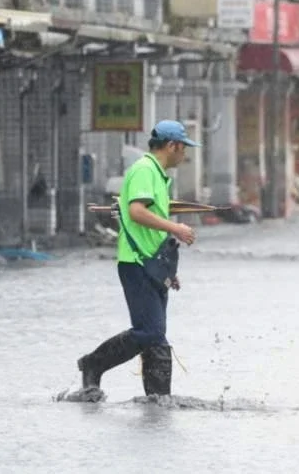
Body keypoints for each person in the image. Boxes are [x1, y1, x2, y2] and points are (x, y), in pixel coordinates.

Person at [77, 120, 199, 397]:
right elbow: (136, 212)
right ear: (172, 146)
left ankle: (158, 401)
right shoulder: (144, 170)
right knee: (150, 332)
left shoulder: (157, 174)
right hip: (136, 263)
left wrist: (167, 269)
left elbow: (150, 229)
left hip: (153, 265)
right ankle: (94, 363)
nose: (184, 154)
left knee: (156, 337)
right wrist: (176, 228)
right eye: (183, 148)